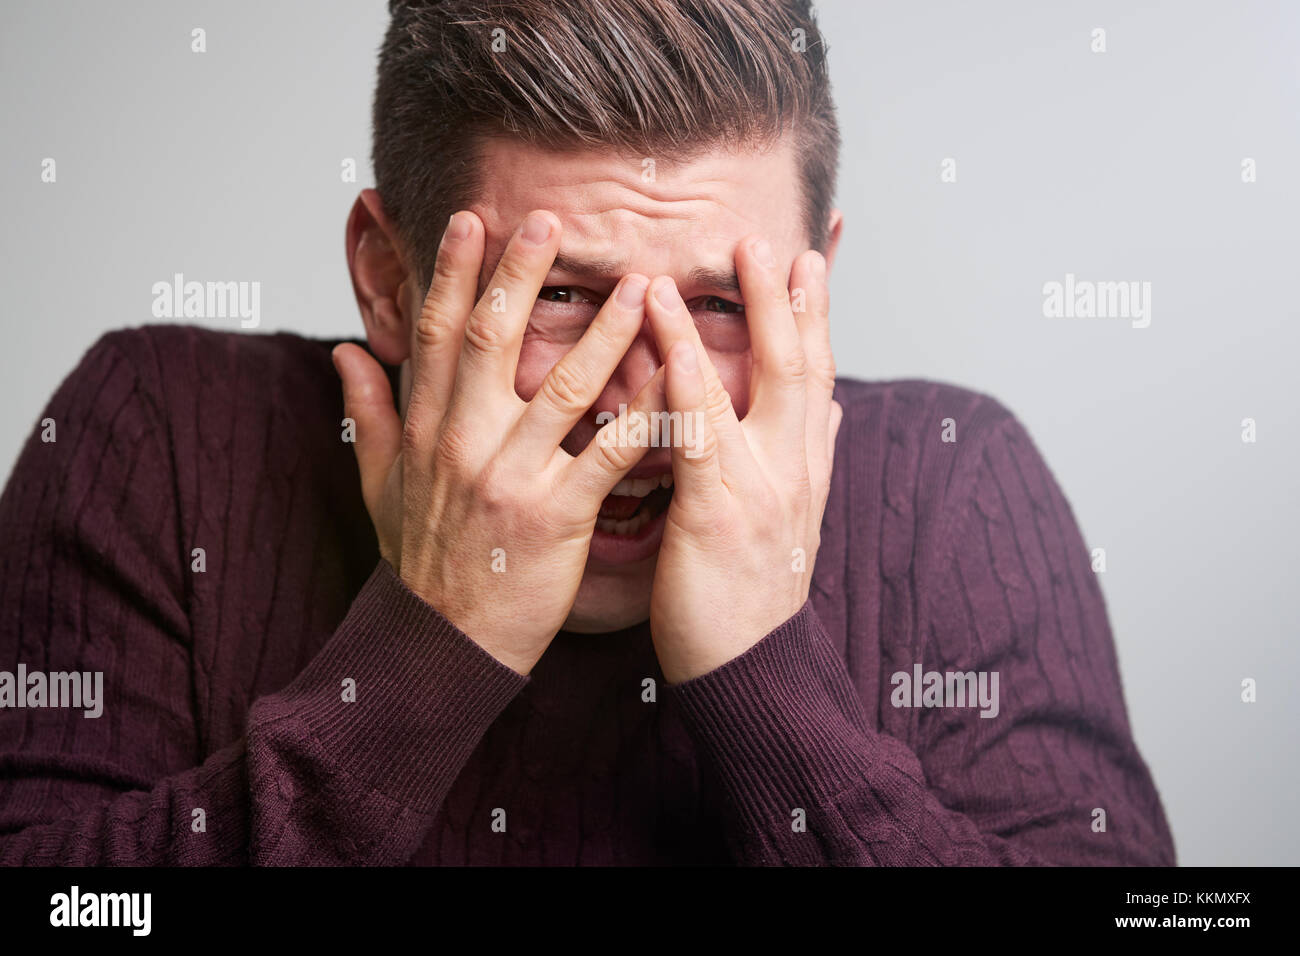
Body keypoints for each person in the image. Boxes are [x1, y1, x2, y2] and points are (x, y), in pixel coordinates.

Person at [0, 0, 1174, 865]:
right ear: (389, 276)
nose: (635, 403)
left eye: (717, 304)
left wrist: (771, 671)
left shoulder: (949, 483)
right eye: (561, 295)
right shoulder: (159, 429)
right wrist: (430, 645)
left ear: (813, 288)